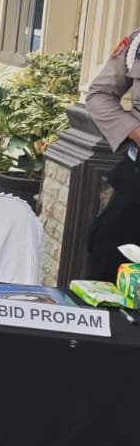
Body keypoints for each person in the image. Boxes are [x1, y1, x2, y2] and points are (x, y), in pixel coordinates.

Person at [84, 28, 140, 280]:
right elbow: (99, 95)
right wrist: (135, 131)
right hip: (135, 182)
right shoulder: (138, 41)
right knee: (109, 265)